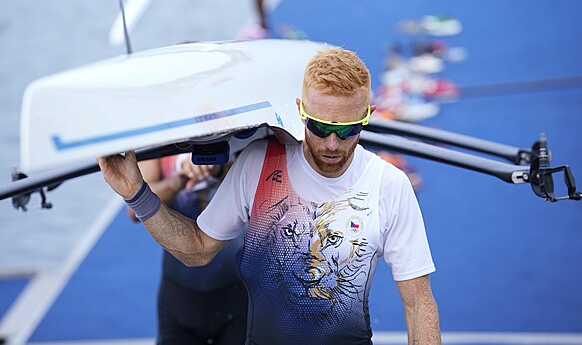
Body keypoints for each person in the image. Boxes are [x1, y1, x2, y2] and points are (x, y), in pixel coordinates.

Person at [99, 46, 441, 344]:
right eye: (320, 128)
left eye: (346, 130)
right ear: (299, 111)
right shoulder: (257, 165)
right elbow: (197, 249)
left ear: (367, 116)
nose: (332, 144)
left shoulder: (390, 185)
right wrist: (137, 194)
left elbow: (417, 303)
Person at [127, 154, 247, 345]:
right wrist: (180, 179)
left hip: (238, 295)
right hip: (180, 296)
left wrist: (216, 168)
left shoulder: (242, 137)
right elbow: (134, 209)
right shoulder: (157, 144)